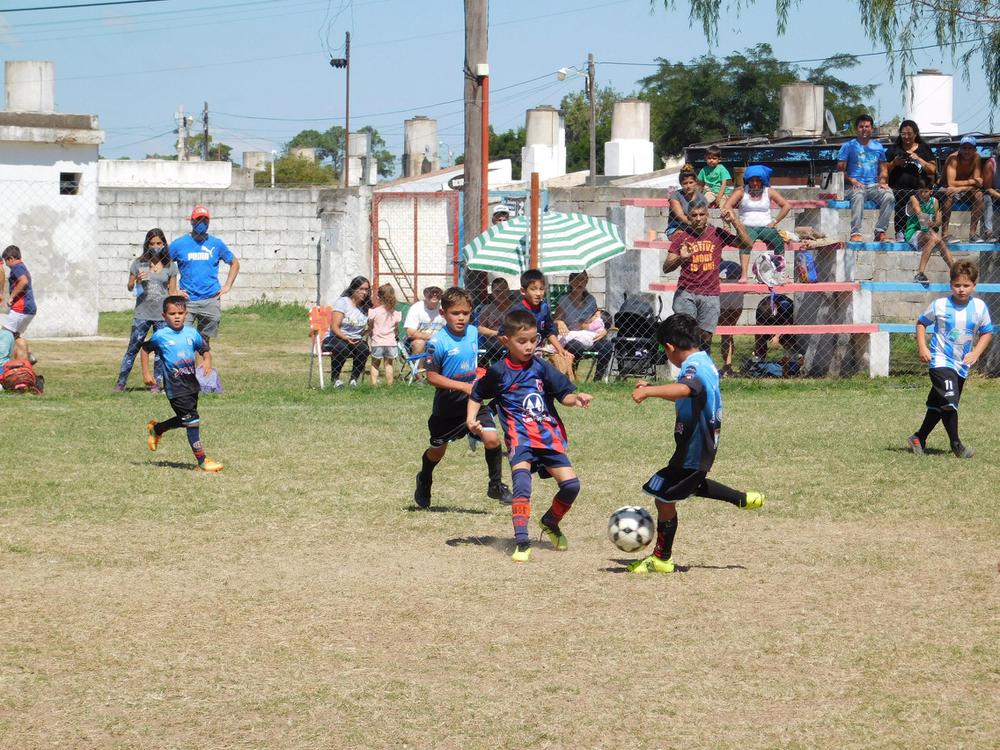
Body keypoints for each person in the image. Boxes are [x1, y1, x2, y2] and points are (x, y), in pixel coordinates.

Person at [626, 313, 765, 574]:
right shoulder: (702, 361)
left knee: (663, 498)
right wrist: (655, 386)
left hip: (695, 447)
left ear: (669, 347)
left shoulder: (693, 367)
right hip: (695, 446)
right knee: (690, 485)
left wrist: (648, 392)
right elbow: (686, 392)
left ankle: (661, 559)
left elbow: (687, 389)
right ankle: (742, 499)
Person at [468, 308, 593, 562]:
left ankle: (550, 521)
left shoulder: (541, 368)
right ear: (506, 340)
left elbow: (564, 394)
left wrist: (576, 398)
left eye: (534, 340)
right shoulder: (499, 371)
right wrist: (471, 419)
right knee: (522, 486)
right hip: (519, 437)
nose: (529, 346)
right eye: (521, 341)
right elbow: (477, 393)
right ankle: (522, 541)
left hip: (547, 436)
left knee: (571, 486)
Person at [414, 287, 512, 509]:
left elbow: (491, 337)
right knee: (438, 451)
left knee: (492, 439)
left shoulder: (472, 332)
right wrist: (463, 387)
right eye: (455, 313)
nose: (461, 318)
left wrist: (506, 340)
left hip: (473, 400)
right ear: (443, 313)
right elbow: (431, 377)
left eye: (465, 313)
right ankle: (424, 478)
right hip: (447, 406)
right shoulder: (437, 342)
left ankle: (495, 485)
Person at [907, 261, 993, 459]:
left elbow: (987, 332)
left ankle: (918, 438)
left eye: (966, 285)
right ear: (950, 284)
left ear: (974, 286)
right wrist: (923, 347)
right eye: (957, 285)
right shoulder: (940, 305)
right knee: (949, 401)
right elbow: (921, 323)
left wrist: (976, 353)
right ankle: (957, 445)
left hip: (961, 365)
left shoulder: (979, 307)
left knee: (940, 405)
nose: (961, 290)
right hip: (940, 360)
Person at [141, 295, 224, 473]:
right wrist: (147, 373)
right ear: (164, 316)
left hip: (192, 385)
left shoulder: (191, 333)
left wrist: (207, 360)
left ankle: (157, 428)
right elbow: (145, 350)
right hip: (175, 387)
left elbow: (204, 350)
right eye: (172, 313)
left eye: (180, 313)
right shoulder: (161, 336)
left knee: (187, 419)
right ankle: (202, 461)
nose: (177, 316)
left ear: (186, 314)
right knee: (192, 421)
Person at [663, 204, 753, 351]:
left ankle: (703, 368)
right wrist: (681, 258)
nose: (698, 218)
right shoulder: (681, 237)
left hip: (710, 293)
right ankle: (688, 369)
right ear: (688, 218)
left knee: (705, 337)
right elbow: (666, 268)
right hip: (686, 292)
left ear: (707, 216)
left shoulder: (717, 233)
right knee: (687, 333)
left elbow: (747, 244)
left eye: (701, 214)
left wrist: (735, 221)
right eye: (694, 215)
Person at [168, 205, 240, 376]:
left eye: (205, 220)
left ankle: (200, 377)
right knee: (183, 339)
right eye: (198, 220)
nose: (201, 223)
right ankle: (182, 375)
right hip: (187, 302)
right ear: (191, 221)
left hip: (210, 299)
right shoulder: (179, 244)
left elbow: (234, 263)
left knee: (203, 341)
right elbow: (164, 266)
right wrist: (173, 289)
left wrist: (227, 286)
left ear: (209, 222)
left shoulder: (216, 244)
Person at [115, 228, 179, 392]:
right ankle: (121, 383)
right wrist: (136, 280)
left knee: (159, 350)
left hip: (161, 315)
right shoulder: (139, 263)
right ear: (147, 244)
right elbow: (130, 288)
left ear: (164, 244)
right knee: (133, 348)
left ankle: (156, 384)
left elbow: (172, 291)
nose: (155, 246)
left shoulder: (170, 266)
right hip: (142, 314)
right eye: (152, 243)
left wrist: (178, 305)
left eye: (159, 243)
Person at [721, 164, 790, 282]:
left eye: (758, 180)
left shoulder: (769, 191)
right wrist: (734, 220)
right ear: (748, 180)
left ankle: (779, 273)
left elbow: (786, 206)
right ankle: (744, 275)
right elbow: (727, 205)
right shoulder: (741, 191)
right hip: (747, 227)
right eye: (752, 180)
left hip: (765, 227)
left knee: (778, 242)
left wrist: (775, 221)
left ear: (762, 180)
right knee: (745, 243)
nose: (755, 183)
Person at [509, 268, 575, 380]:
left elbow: (549, 331)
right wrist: (516, 349)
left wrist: (561, 350)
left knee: (539, 377)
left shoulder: (544, 308)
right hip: (519, 355)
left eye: (541, 289)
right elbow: (503, 334)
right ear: (523, 291)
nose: (538, 293)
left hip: (537, 352)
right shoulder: (517, 311)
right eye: (533, 289)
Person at [837, 114, 894, 242]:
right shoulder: (848, 146)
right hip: (853, 186)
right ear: (857, 129)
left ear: (871, 129)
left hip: (873, 186)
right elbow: (840, 171)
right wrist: (852, 180)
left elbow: (883, 168)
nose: (864, 129)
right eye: (861, 126)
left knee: (889, 195)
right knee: (858, 195)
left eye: (867, 126)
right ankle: (855, 233)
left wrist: (883, 181)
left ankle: (880, 231)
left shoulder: (878, 147)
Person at [555, 271, 613, 382]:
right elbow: (554, 319)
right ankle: (572, 376)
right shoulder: (564, 300)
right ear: (570, 282)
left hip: (589, 337)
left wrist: (605, 330)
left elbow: (598, 318)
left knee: (607, 346)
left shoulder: (591, 300)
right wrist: (559, 322)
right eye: (576, 279)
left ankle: (597, 380)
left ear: (586, 281)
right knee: (575, 346)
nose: (579, 283)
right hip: (571, 337)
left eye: (582, 279)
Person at [886, 119, 937, 241]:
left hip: (920, 188)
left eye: (909, 134)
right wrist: (894, 163)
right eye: (903, 134)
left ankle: (930, 230)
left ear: (916, 134)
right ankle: (900, 231)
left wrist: (919, 159)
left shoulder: (924, 149)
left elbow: (932, 169)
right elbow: (883, 169)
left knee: (932, 200)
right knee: (901, 197)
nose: (906, 137)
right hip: (898, 189)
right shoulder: (894, 149)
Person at [905, 177, 955, 286]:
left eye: (926, 191)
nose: (922, 194)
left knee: (940, 242)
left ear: (931, 191)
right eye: (920, 191)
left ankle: (954, 272)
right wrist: (930, 226)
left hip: (928, 232)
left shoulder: (935, 201)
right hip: (913, 232)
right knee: (934, 238)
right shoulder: (914, 198)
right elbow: (919, 213)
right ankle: (920, 273)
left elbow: (938, 222)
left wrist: (932, 226)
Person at [324, 276, 371, 388]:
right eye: (361, 289)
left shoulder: (366, 307)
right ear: (353, 289)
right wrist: (346, 338)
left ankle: (353, 380)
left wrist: (371, 328)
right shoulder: (343, 302)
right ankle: (335, 379)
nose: (364, 292)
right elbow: (335, 327)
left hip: (355, 339)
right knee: (342, 348)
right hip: (335, 338)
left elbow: (369, 327)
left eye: (367, 289)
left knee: (364, 349)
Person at [939, 135, 984, 241]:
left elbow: (978, 184)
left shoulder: (977, 158)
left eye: (970, 148)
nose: (967, 151)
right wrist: (971, 181)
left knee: (979, 194)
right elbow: (951, 183)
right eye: (964, 148)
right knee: (950, 194)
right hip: (945, 189)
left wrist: (960, 188)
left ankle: (972, 234)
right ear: (960, 148)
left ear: (975, 150)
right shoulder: (953, 158)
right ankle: (945, 234)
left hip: (962, 190)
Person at [1, 245, 36, 362]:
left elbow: (24, 281)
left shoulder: (17, 267)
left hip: (20, 309)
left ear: (11, 258)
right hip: (29, 310)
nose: (7, 265)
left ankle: (2, 368)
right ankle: (27, 358)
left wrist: (11, 297)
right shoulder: (23, 267)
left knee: (5, 336)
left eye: (6, 262)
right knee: (14, 336)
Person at [474, 276, 515, 364]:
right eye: (497, 291)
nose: (501, 294)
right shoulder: (487, 309)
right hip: (492, 348)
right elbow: (480, 328)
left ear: (508, 291)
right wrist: (497, 333)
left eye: (504, 290)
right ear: (492, 292)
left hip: (512, 345)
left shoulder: (515, 308)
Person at [366, 283, 401, 386]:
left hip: (377, 342)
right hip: (390, 343)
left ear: (378, 297)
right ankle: (390, 385)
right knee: (389, 364)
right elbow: (396, 330)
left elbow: (371, 325)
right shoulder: (395, 313)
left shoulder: (374, 312)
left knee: (375, 364)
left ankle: (374, 385)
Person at [716, 260, 744, 378]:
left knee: (726, 335)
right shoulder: (735, 265)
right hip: (736, 299)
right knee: (728, 334)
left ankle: (727, 366)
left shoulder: (716, 266)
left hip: (724, 300)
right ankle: (728, 366)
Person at [403, 286, 445, 363]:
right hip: (416, 342)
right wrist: (431, 337)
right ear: (425, 293)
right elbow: (410, 332)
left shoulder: (444, 307)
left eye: (437, 291)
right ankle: (419, 372)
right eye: (431, 291)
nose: (435, 294)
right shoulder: (417, 307)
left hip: (439, 342)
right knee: (420, 343)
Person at [668, 168, 708, 236]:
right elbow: (681, 217)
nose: (688, 186)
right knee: (682, 236)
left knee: (711, 233)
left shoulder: (702, 198)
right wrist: (696, 225)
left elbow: (704, 216)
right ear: (681, 184)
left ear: (696, 182)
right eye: (685, 183)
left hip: (697, 226)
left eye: (691, 182)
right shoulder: (675, 196)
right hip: (677, 227)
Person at [980, 142, 1000, 240]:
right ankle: (988, 231)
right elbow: (987, 188)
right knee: (986, 198)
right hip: (993, 195)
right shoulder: (991, 163)